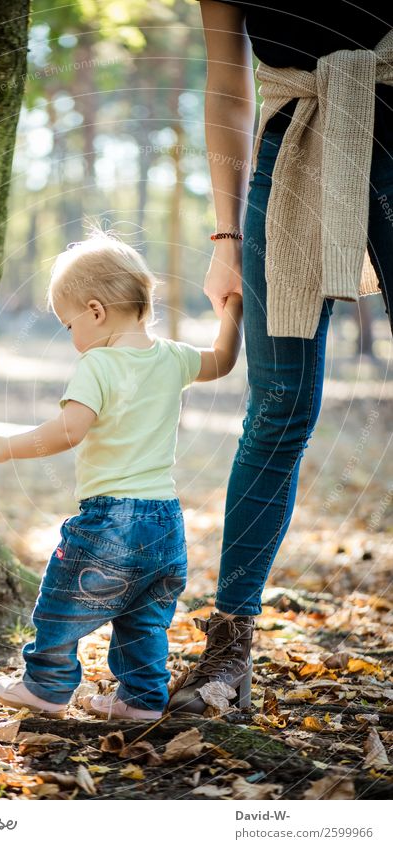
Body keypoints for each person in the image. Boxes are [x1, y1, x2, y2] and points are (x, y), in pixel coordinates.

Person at [169, 1, 393, 714]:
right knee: (278, 405)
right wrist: (225, 241)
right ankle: (229, 649)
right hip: (291, 144)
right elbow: (230, 87)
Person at [0, 227, 244, 720]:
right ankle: (141, 700)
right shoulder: (173, 356)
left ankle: (47, 686)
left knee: (60, 596)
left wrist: (4, 448)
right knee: (144, 618)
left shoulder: (96, 364)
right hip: (166, 524)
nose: (73, 337)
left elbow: (69, 430)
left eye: (68, 323)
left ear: (96, 311)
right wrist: (232, 309)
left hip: (110, 519)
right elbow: (223, 362)